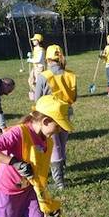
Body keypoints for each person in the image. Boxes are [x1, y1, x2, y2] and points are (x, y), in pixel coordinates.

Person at [34, 44, 77, 190]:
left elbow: (37, 99)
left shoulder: (43, 76)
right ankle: (61, 169)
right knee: (62, 143)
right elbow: (74, 96)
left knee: (54, 147)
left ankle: (59, 183)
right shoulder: (70, 74)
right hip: (66, 112)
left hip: (50, 116)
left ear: (47, 59)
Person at [26, 33, 46, 100]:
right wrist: (31, 56)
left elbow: (38, 60)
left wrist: (30, 60)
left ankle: (40, 95)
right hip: (35, 68)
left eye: (34, 40)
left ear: (38, 41)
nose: (33, 41)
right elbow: (35, 57)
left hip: (39, 68)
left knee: (38, 82)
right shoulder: (35, 49)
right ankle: (38, 93)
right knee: (30, 81)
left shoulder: (41, 50)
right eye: (33, 40)